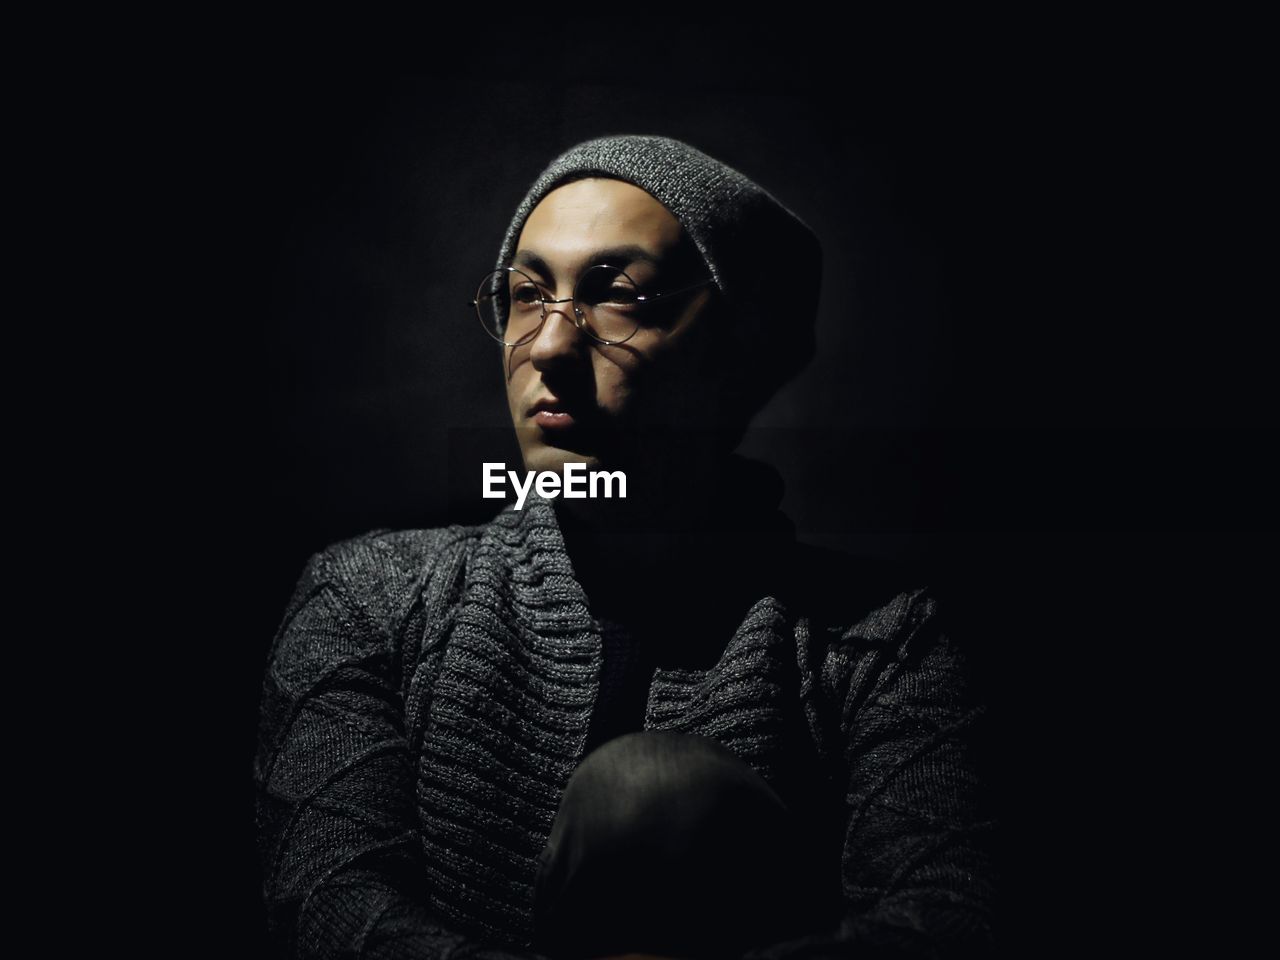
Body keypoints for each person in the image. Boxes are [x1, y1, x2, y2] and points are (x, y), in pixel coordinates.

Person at [253, 134, 995, 959]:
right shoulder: (372, 600)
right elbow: (328, 907)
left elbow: (948, 921)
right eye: (526, 295)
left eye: (618, 296)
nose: (548, 347)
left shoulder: (883, 642)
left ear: (742, 347)